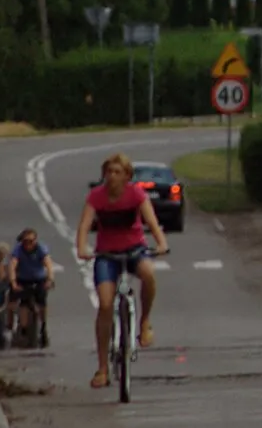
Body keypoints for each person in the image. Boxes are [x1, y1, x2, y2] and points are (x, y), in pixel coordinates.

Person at [74, 152, 169, 390]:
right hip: (107, 254)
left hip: (134, 249)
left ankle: (144, 322)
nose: (112, 177)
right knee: (105, 305)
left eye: (117, 172)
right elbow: (84, 225)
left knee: (148, 274)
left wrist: (161, 242)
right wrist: (81, 247)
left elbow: (152, 221)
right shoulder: (97, 196)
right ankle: (102, 368)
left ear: (127, 176)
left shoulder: (136, 194)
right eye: (108, 172)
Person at [9, 227, 55, 345]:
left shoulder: (41, 249)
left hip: (38, 279)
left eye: (31, 241)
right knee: (23, 303)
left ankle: (43, 327)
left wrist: (50, 279)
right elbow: (12, 266)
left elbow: (48, 264)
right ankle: (22, 329)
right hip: (23, 279)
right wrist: (13, 282)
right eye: (26, 241)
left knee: (42, 303)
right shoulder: (18, 250)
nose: (29, 244)